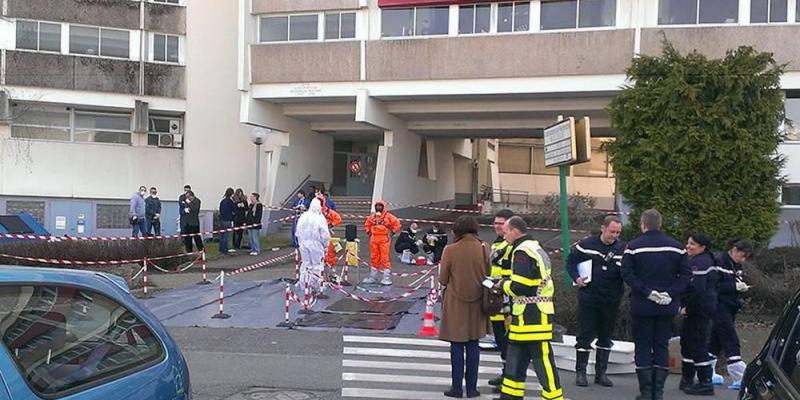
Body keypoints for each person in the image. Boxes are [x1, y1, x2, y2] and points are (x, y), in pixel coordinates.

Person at [621, 209, 691, 400]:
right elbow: (686, 275)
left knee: (643, 346)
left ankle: (646, 392)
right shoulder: (677, 247)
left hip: (642, 304)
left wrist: (647, 292)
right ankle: (657, 392)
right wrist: (670, 293)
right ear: (660, 224)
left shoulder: (633, 247)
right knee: (661, 346)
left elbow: (627, 274)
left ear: (643, 224)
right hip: (667, 305)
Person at [495, 216, 564, 400]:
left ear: (515, 231)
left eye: (506, 232)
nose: (504, 236)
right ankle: (509, 396)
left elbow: (520, 287)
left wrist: (501, 285)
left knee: (542, 361)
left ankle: (554, 397)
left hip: (532, 316)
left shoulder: (522, 252)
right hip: (530, 315)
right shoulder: (534, 247)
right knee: (516, 358)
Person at [566, 215, 625, 388]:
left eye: (618, 232)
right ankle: (581, 373)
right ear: (603, 228)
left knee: (606, 337)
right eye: (612, 231)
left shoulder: (623, 249)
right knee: (585, 335)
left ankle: (601, 374)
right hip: (589, 298)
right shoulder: (586, 245)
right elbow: (571, 261)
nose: (615, 235)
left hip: (611, 299)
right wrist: (576, 277)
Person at [439, 216, 490, 399]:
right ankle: (472, 388)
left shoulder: (450, 250)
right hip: (478, 302)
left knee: (457, 345)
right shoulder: (484, 247)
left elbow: (443, 279)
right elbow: (489, 273)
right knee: (474, 344)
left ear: (457, 230)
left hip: (455, 302)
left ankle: (456, 388)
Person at [679, 232, 720, 396]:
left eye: (692, 244)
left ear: (702, 247)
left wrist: (687, 306)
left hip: (699, 309)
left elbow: (697, 289)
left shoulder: (700, 263)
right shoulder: (700, 260)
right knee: (687, 343)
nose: (688, 246)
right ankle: (687, 378)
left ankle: (705, 382)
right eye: (688, 243)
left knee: (697, 344)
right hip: (701, 308)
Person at [709, 239, 753, 390]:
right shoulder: (720, 261)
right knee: (730, 339)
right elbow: (714, 285)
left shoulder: (735, 264)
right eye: (742, 255)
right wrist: (734, 286)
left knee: (715, 341)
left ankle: (705, 371)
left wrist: (740, 285)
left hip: (729, 306)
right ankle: (740, 375)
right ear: (734, 250)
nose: (743, 259)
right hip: (719, 306)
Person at [487, 209, 515, 392]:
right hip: (496, 297)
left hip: (508, 300)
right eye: (496, 223)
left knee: (508, 341)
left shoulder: (511, 245)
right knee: (500, 338)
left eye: (501, 223)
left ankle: (510, 378)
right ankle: (505, 372)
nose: (497, 226)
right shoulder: (497, 243)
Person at [295, 198, 330, 296]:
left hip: (304, 243)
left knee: (306, 264)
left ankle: (304, 285)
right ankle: (317, 286)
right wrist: (325, 245)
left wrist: (300, 242)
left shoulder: (303, 216)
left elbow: (297, 231)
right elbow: (324, 234)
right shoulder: (320, 217)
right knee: (317, 265)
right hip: (316, 244)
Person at [363, 200, 401, 285]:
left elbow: (397, 224)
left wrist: (392, 232)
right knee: (374, 257)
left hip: (384, 239)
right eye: (377, 206)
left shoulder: (388, 216)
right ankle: (373, 277)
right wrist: (368, 232)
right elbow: (367, 224)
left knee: (384, 258)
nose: (378, 208)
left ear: (383, 207)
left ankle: (386, 277)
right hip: (374, 239)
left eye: (380, 206)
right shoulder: (372, 217)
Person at [322, 200, 343, 269]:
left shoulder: (328, 212)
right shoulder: (313, 213)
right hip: (316, 235)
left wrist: (331, 225)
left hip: (325, 234)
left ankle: (331, 270)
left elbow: (338, 219)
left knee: (329, 251)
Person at [218, 188, 235, 255]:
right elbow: (233, 210)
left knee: (222, 235)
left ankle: (221, 248)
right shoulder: (230, 201)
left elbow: (220, 210)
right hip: (228, 219)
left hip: (222, 219)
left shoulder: (222, 201)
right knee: (226, 235)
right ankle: (225, 249)